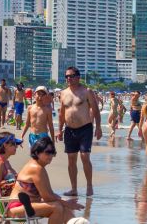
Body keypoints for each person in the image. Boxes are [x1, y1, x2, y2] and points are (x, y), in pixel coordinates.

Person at [7, 137, 84, 224]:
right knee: (57, 207)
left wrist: (65, 202)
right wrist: (67, 203)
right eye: (48, 152)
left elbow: (50, 193)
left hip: (29, 205)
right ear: (37, 152)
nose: (51, 156)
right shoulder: (36, 168)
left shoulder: (39, 168)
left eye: (53, 153)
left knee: (65, 208)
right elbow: (47, 197)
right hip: (17, 207)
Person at [56, 66, 102, 196]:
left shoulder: (87, 91)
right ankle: (74, 188)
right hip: (69, 130)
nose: (68, 79)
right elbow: (62, 113)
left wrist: (98, 127)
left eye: (71, 76)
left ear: (78, 77)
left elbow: (96, 110)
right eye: (66, 76)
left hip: (85, 128)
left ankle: (89, 185)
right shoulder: (63, 93)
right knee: (71, 159)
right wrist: (59, 130)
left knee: (84, 156)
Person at [0, 131, 22, 197]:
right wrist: (2, 204)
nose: (16, 147)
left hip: (15, 197)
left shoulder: (5, 161)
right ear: (5, 145)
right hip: (11, 201)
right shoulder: (0, 163)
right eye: (13, 144)